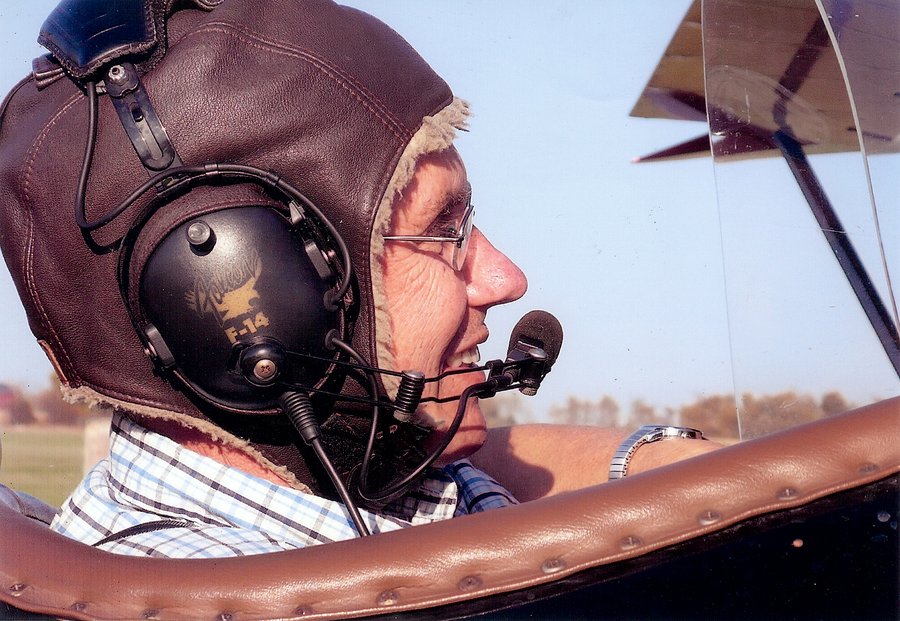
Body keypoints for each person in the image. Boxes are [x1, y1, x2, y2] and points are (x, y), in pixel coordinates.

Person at [0, 0, 716, 558]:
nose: (506, 278)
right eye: (442, 231)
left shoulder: (377, 476)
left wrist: (670, 463)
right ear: (242, 306)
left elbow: (497, 461)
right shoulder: (208, 585)